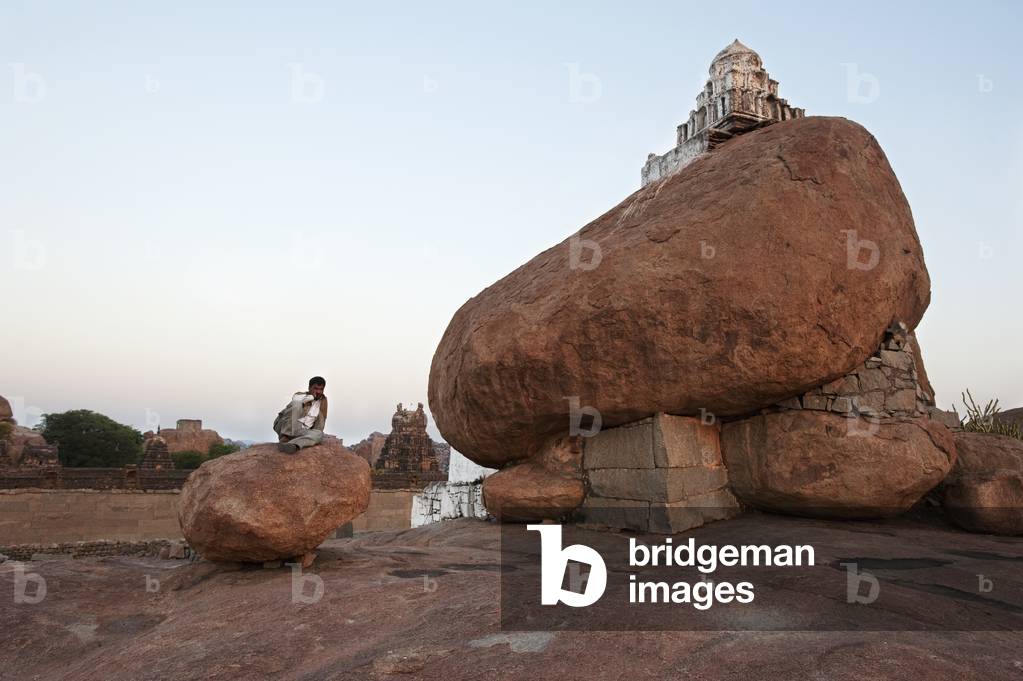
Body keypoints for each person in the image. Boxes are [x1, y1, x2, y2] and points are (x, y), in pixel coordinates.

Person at [273, 376, 328, 453]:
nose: (318, 392)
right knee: (297, 404)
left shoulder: (323, 403)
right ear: (309, 388)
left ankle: (293, 445)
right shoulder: (299, 395)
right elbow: (296, 402)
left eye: (321, 389)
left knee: (319, 434)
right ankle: (285, 438)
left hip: (301, 431)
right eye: (315, 388)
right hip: (284, 426)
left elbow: (320, 423)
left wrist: (314, 434)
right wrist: (311, 397)